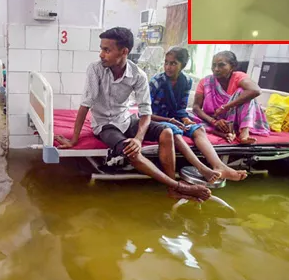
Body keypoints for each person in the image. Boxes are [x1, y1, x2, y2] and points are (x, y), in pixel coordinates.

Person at [54, 27, 211, 202]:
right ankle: (177, 186)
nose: (101, 54)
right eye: (101, 49)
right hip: (104, 124)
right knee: (131, 151)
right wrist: (74, 139)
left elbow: (145, 112)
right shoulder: (95, 70)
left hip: (127, 119)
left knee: (167, 132)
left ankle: (171, 189)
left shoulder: (138, 75)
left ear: (124, 51)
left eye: (107, 50)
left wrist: (138, 138)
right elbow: (85, 105)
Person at [149, 47, 247, 181]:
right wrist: (171, 120)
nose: (168, 67)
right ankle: (203, 169)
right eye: (166, 62)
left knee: (199, 129)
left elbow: (181, 108)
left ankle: (219, 166)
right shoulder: (156, 81)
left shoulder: (186, 81)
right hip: (156, 119)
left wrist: (185, 119)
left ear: (182, 65)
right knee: (174, 132)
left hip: (176, 118)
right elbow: (145, 112)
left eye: (173, 63)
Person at [192, 50, 269, 144]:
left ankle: (244, 133)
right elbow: (196, 107)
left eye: (221, 65)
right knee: (187, 116)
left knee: (245, 93)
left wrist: (226, 107)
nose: (216, 69)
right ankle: (224, 133)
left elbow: (255, 90)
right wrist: (214, 121)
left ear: (232, 67)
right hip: (214, 119)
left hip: (237, 120)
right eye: (214, 65)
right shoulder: (205, 82)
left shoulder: (238, 76)